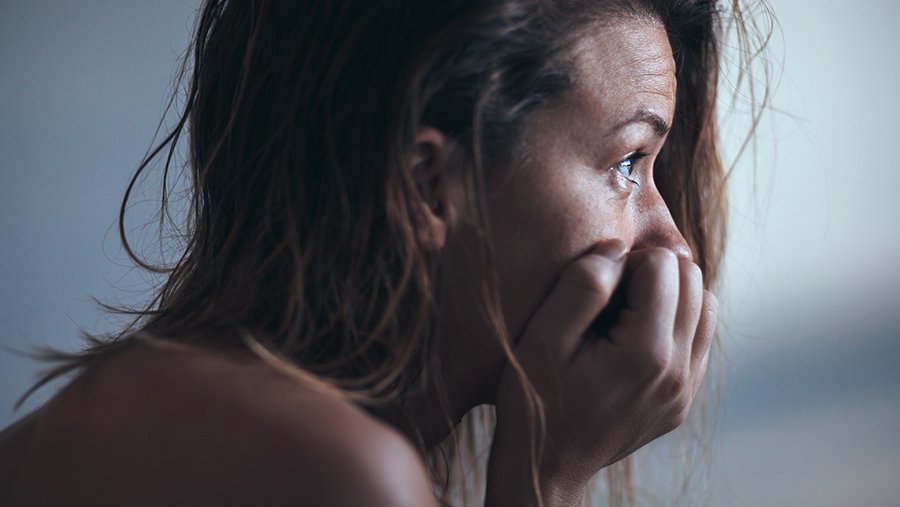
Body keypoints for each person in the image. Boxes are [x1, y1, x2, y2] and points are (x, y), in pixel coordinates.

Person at [0, 0, 749, 505]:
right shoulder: (345, 476)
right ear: (427, 183)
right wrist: (545, 480)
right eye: (628, 162)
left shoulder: (98, 411)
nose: (672, 242)